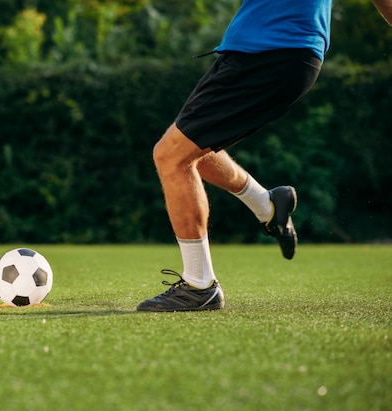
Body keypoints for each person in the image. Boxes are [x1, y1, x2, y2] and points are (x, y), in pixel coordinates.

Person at [137, 0, 392, 312]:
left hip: (271, 51)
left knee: (171, 156)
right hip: (266, 51)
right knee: (191, 150)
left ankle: (199, 284)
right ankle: (268, 204)